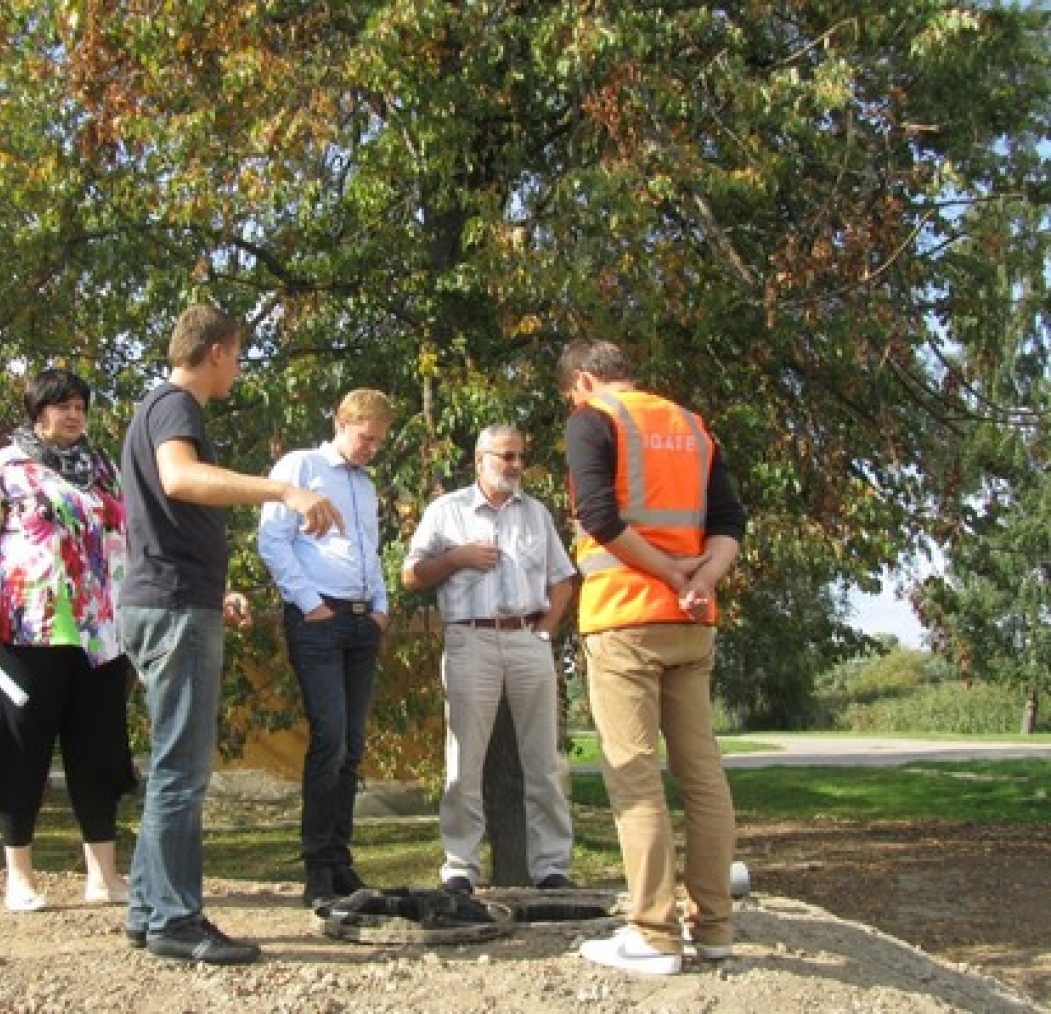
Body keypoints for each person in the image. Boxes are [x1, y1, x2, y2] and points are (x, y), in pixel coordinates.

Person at [120, 304, 344, 965]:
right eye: (238, 355)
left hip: (170, 600)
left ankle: (147, 910)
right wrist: (283, 491)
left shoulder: (151, 408)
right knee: (181, 772)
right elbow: (180, 478)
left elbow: (162, 519)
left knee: (171, 764)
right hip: (174, 609)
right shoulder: (175, 405)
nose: (239, 368)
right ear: (216, 350)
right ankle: (175, 920)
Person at [560, 339, 747, 976]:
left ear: (584, 380)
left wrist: (668, 572)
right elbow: (730, 522)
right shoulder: (692, 425)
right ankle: (714, 929)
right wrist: (701, 580)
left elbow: (597, 516)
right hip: (690, 624)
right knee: (704, 777)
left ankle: (654, 934)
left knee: (634, 776)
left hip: (624, 617)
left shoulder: (592, 419)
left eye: (571, 393)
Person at [0, 367, 137, 913]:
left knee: (99, 754)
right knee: (20, 754)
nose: (74, 414)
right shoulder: (4, 468)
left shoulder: (103, 469)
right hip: (25, 633)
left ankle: (103, 877)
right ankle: (20, 878)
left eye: (80, 406)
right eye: (62, 406)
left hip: (100, 636)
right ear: (38, 412)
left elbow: (129, 539)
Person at [402, 425, 579, 895]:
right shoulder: (447, 510)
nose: (516, 465)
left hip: (527, 638)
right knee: (464, 760)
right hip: (470, 638)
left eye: (520, 456)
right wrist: (455, 558)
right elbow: (410, 575)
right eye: (506, 456)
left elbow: (563, 579)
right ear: (480, 459)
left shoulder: (535, 513)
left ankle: (552, 867)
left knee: (543, 760)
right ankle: (460, 866)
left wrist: (546, 630)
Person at [256, 389, 394, 908]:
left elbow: (368, 548)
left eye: (378, 441)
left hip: (361, 620)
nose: (370, 449)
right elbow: (273, 540)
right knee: (329, 737)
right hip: (319, 619)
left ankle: (339, 861)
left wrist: (380, 605)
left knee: (352, 745)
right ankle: (316, 865)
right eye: (365, 438)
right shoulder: (302, 467)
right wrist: (309, 603)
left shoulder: (366, 484)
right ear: (340, 423)